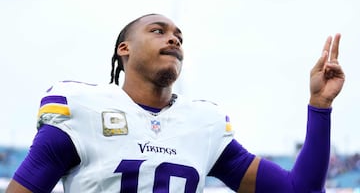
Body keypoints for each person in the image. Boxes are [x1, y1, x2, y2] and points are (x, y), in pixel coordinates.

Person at [6, 13, 345, 193]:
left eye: (179, 36)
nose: (173, 38)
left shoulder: (203, 125)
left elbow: (299, 190)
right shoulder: (81, 110)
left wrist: (319, 105)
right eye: (158, 30)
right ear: (124, 49)